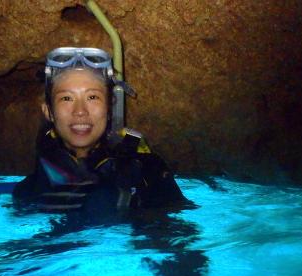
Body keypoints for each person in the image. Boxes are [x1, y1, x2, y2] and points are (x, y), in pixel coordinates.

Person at [12, 47, 187, 213]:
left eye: (92, 97)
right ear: (48, 112)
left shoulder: (147, 173)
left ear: (109, 108)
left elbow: (179, 238)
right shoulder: (28, 190)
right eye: (67, 98)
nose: (80, 111)